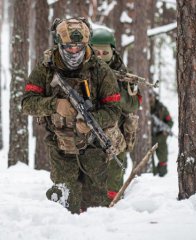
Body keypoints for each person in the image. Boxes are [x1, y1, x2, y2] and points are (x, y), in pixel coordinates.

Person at [22, 18, 121, 214]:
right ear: (59, 44)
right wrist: (54, 104)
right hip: (61, 149)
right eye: (69, 47)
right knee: (66, 206)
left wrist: (92, 123)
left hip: (94, 149)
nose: (74, 52)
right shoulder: (46, 68)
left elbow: (113, 110)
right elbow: (27, 103)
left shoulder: (101, 71)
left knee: (96, 209)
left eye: (79, 47)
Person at [90, 26, 141, 202]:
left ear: (113, 51)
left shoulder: (125, 76)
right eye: (96, 52)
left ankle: (113, 203)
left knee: (114, 174)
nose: (101, 57)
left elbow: (134, 104)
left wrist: (115, 91)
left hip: (114, 133)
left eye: (105, 53)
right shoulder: (81, 71)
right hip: (86, 130)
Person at [150, 91, 173, 177]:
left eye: (151, 96)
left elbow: (170, 122)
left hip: (160, 137)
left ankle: (161, 176)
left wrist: (165, 131)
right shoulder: (143, 108)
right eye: (148, 97)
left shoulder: (162, 108)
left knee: (163, 158)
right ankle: (151, 175)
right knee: (148, 160)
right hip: (148, 138)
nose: (150, 99)